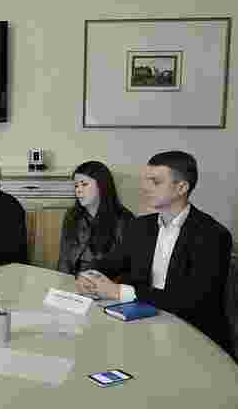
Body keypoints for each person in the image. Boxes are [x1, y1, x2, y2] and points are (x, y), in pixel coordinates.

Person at [77, 151, 234, 353]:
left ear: (181, 187)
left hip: (194, 337)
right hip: (142, 324)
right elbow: (111, 263)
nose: (145, 187)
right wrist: (89, 275)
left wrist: (118, 291)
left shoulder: (213, 235)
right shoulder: (140, 226)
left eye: (155, 182)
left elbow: (193, 300)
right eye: (146, 180)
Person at [57, 161, 134, 275]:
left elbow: (127, 266)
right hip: (73, 279)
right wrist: (62, 281)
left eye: (84, 184)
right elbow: (64, 259)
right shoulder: (72, 215)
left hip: (106, 282)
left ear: (101, 185)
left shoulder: (124, 219)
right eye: (76, 185)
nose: (78, 190)